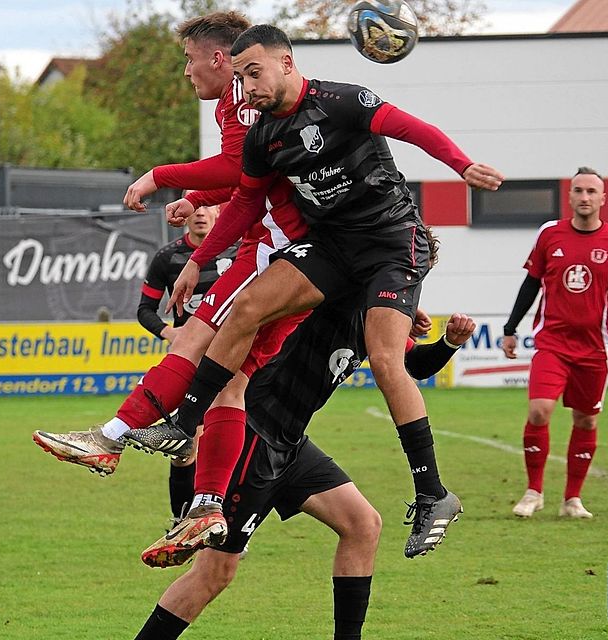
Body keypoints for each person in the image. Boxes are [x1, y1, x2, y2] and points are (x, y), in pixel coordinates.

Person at [140, 24, 504, 560]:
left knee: (385, 358)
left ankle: (432, 492)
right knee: (247, 307)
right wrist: (199, 258)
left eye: (255, 72)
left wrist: (460, 164)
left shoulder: (342, 100)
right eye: (239, 77)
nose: (247, 86)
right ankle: (184, 422)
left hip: (389, 241)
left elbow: (411, 128)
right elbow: (244, 203)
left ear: (287, 63)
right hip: (332, 247)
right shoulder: (264, 136)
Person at [33, 11, 309, 519]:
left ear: (218, 58)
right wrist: (199, 199)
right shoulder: (252, 99)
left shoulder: (240, 100)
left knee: (191, 341)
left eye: (189, 59)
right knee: (230, 380)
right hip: (291, 252)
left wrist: (159, 175)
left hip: (275, 251)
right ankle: (206, 506)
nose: (186, 71)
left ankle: (111, 438)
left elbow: (237, 170)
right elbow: (248, 180)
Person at [134, 291, 477, 638]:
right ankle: (189, 514)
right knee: (214, 574)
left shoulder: (376, 318)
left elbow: (414, 365)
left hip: (291, 444)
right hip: (252, 440)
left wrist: (449, 342)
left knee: (363, 525)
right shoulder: (330, 289)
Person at [502, 167, 608, 519]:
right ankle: (533, 492)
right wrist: (510, 327)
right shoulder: (549, 234)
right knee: (538, 411)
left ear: (603, 198)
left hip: (595, 349)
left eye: (592, 191)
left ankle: (572, 499)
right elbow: (530, 285)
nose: (585, 197)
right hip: (553, 343)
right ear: (570, 196)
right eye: (578, 190)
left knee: (586, 421)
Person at [137, 200, 239, 526]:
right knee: (186, 445)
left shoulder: (239, 253)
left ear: (219, 212)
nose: (199, 212)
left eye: (206, 204)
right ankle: (181, 520)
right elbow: (145, 310)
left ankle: (224, 522)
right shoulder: (168, 258)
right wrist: (172, 334)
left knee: (230, 439)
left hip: (234, 362)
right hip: (192, 362)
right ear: (181, 213)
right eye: (193, 203)